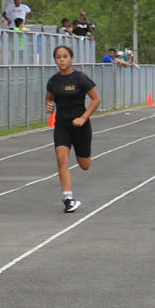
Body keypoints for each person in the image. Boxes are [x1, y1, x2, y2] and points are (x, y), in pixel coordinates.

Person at [44, 44, 101, 214]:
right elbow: (49, 99)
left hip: (81, 126)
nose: (62, 60)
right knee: (61, 160)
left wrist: (83, 118)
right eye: (58, 57)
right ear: (55, 60)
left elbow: (96, 99)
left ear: (71, 59)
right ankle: (68, 198)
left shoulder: (80, 78)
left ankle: (84, 154)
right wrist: (49, 107)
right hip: (62, 126)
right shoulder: (53, 81)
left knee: (84, 165)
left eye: (65, 56)